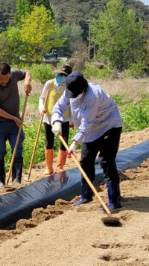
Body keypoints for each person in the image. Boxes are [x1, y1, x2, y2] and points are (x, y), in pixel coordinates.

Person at [50, 72, 123, 211]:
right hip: (91, 131)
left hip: (109, 125)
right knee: (85, 161)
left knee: (106, 160)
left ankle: (114, 201)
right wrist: (57, 121)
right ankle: (86, 195)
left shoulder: (92, 96)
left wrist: (74, 144)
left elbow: (86, 124)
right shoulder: (71, 91)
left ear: (82, 89)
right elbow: (58, 108)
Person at [0, 62, 32, 189]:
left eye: (7, 78)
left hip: (14, 123)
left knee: (17, 149)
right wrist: (14, 118)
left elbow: (27, 72)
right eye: (1, 79)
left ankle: (16, 180)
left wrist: (27, 83)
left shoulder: (14, 75)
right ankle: (2, 181)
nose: (5, 81)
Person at [38, 63, 72, 176]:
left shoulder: (69, 87)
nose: (61, 76)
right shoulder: (50, 84)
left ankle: (60, 166)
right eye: (60, 74)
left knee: (64, 141)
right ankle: (49, 168)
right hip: (49, 117)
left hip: (65, 118)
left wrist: (72, 119)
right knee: (49, 142)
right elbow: (41, 98)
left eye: (64, 75)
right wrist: (41, 107)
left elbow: (72, 104)